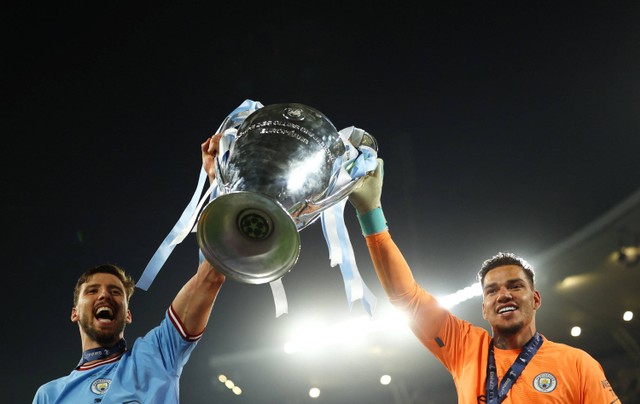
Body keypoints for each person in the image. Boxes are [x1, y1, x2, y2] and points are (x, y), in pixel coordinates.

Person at [347, 159, 620, 403]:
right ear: (484, 309)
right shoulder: (465, 347)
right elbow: (407, 297)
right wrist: (370, 212)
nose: (503, 295)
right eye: (492, 291)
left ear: (535, 299)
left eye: (515, 286)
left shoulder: (577, 364)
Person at [33, 134, 226, 403]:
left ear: (128, 314)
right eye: (92, 291)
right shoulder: (50, 395)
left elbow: (211, 274)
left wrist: (218, 181)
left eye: (115, 291)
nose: (104, 296)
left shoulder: (157, 354)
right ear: (75, 313)